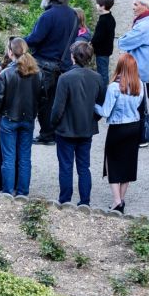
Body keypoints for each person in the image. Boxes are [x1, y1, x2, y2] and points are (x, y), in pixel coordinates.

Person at [25, 0, 79, 144]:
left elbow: (36, 39)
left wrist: (19, 41)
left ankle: (47, 134)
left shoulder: (48, 16)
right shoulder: (72, 14)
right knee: (56, 100)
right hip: (64, 64)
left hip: (44, 63)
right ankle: (53, 132)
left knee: (41, 100)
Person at [52, 42, 104, 206]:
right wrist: (93, 118)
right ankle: (85, 201)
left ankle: (65, 200)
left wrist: (54, 124)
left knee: (66, 166)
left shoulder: (65, 78)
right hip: (86, 128)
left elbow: (57, 108)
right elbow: (100, 103)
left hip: (66, 129)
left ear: (73, 56)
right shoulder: (97, 78)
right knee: (84, 167)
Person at [96, 54, 145, 213]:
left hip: (118, 128)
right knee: (128, 164)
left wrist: (92, 105)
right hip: (134, 126)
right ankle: (122, 198)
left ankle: (116, 201)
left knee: (113, 163)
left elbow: (105, 111)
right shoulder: (140, 85)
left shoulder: (114, 87)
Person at [0, 38, 40, 196]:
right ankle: (22, 192)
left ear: (10, 52)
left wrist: (0, 113)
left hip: (9, 118)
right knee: (25, 157)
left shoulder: (5, 73)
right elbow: (42, 97)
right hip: (27, 118)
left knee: (8, 158)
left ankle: (7, 192)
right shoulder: (36, 73)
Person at [117, 0, 149, 90]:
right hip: (141, 72)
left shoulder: (143, 26)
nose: (133, 7)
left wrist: (123, 39)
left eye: (136, 5)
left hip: (136, 73)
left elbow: (123, 42)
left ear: (145, 7)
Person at [91, 0, 116, 82]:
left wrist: (91, 43)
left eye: (97, 4)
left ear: (102, 6)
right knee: (104, 70)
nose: (96, 5)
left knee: (102, 73)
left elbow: (97, 37)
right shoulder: (111, 18)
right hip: (107, 50)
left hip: (102, 52)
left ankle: (104, 92)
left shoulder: (103, 21)